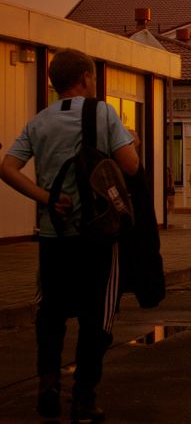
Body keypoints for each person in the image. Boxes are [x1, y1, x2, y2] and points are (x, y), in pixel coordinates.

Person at [0, 48, 139, 422]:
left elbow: (8, 167)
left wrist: (46, 197)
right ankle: (84, 397)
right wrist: (130, 141)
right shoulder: (103, 112)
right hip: (97, 234)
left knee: (51, 314)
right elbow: (130, 165)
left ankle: (47, 386)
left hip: (53, 235)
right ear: (85, 78)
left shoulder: (39, 121)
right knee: (98, 317)